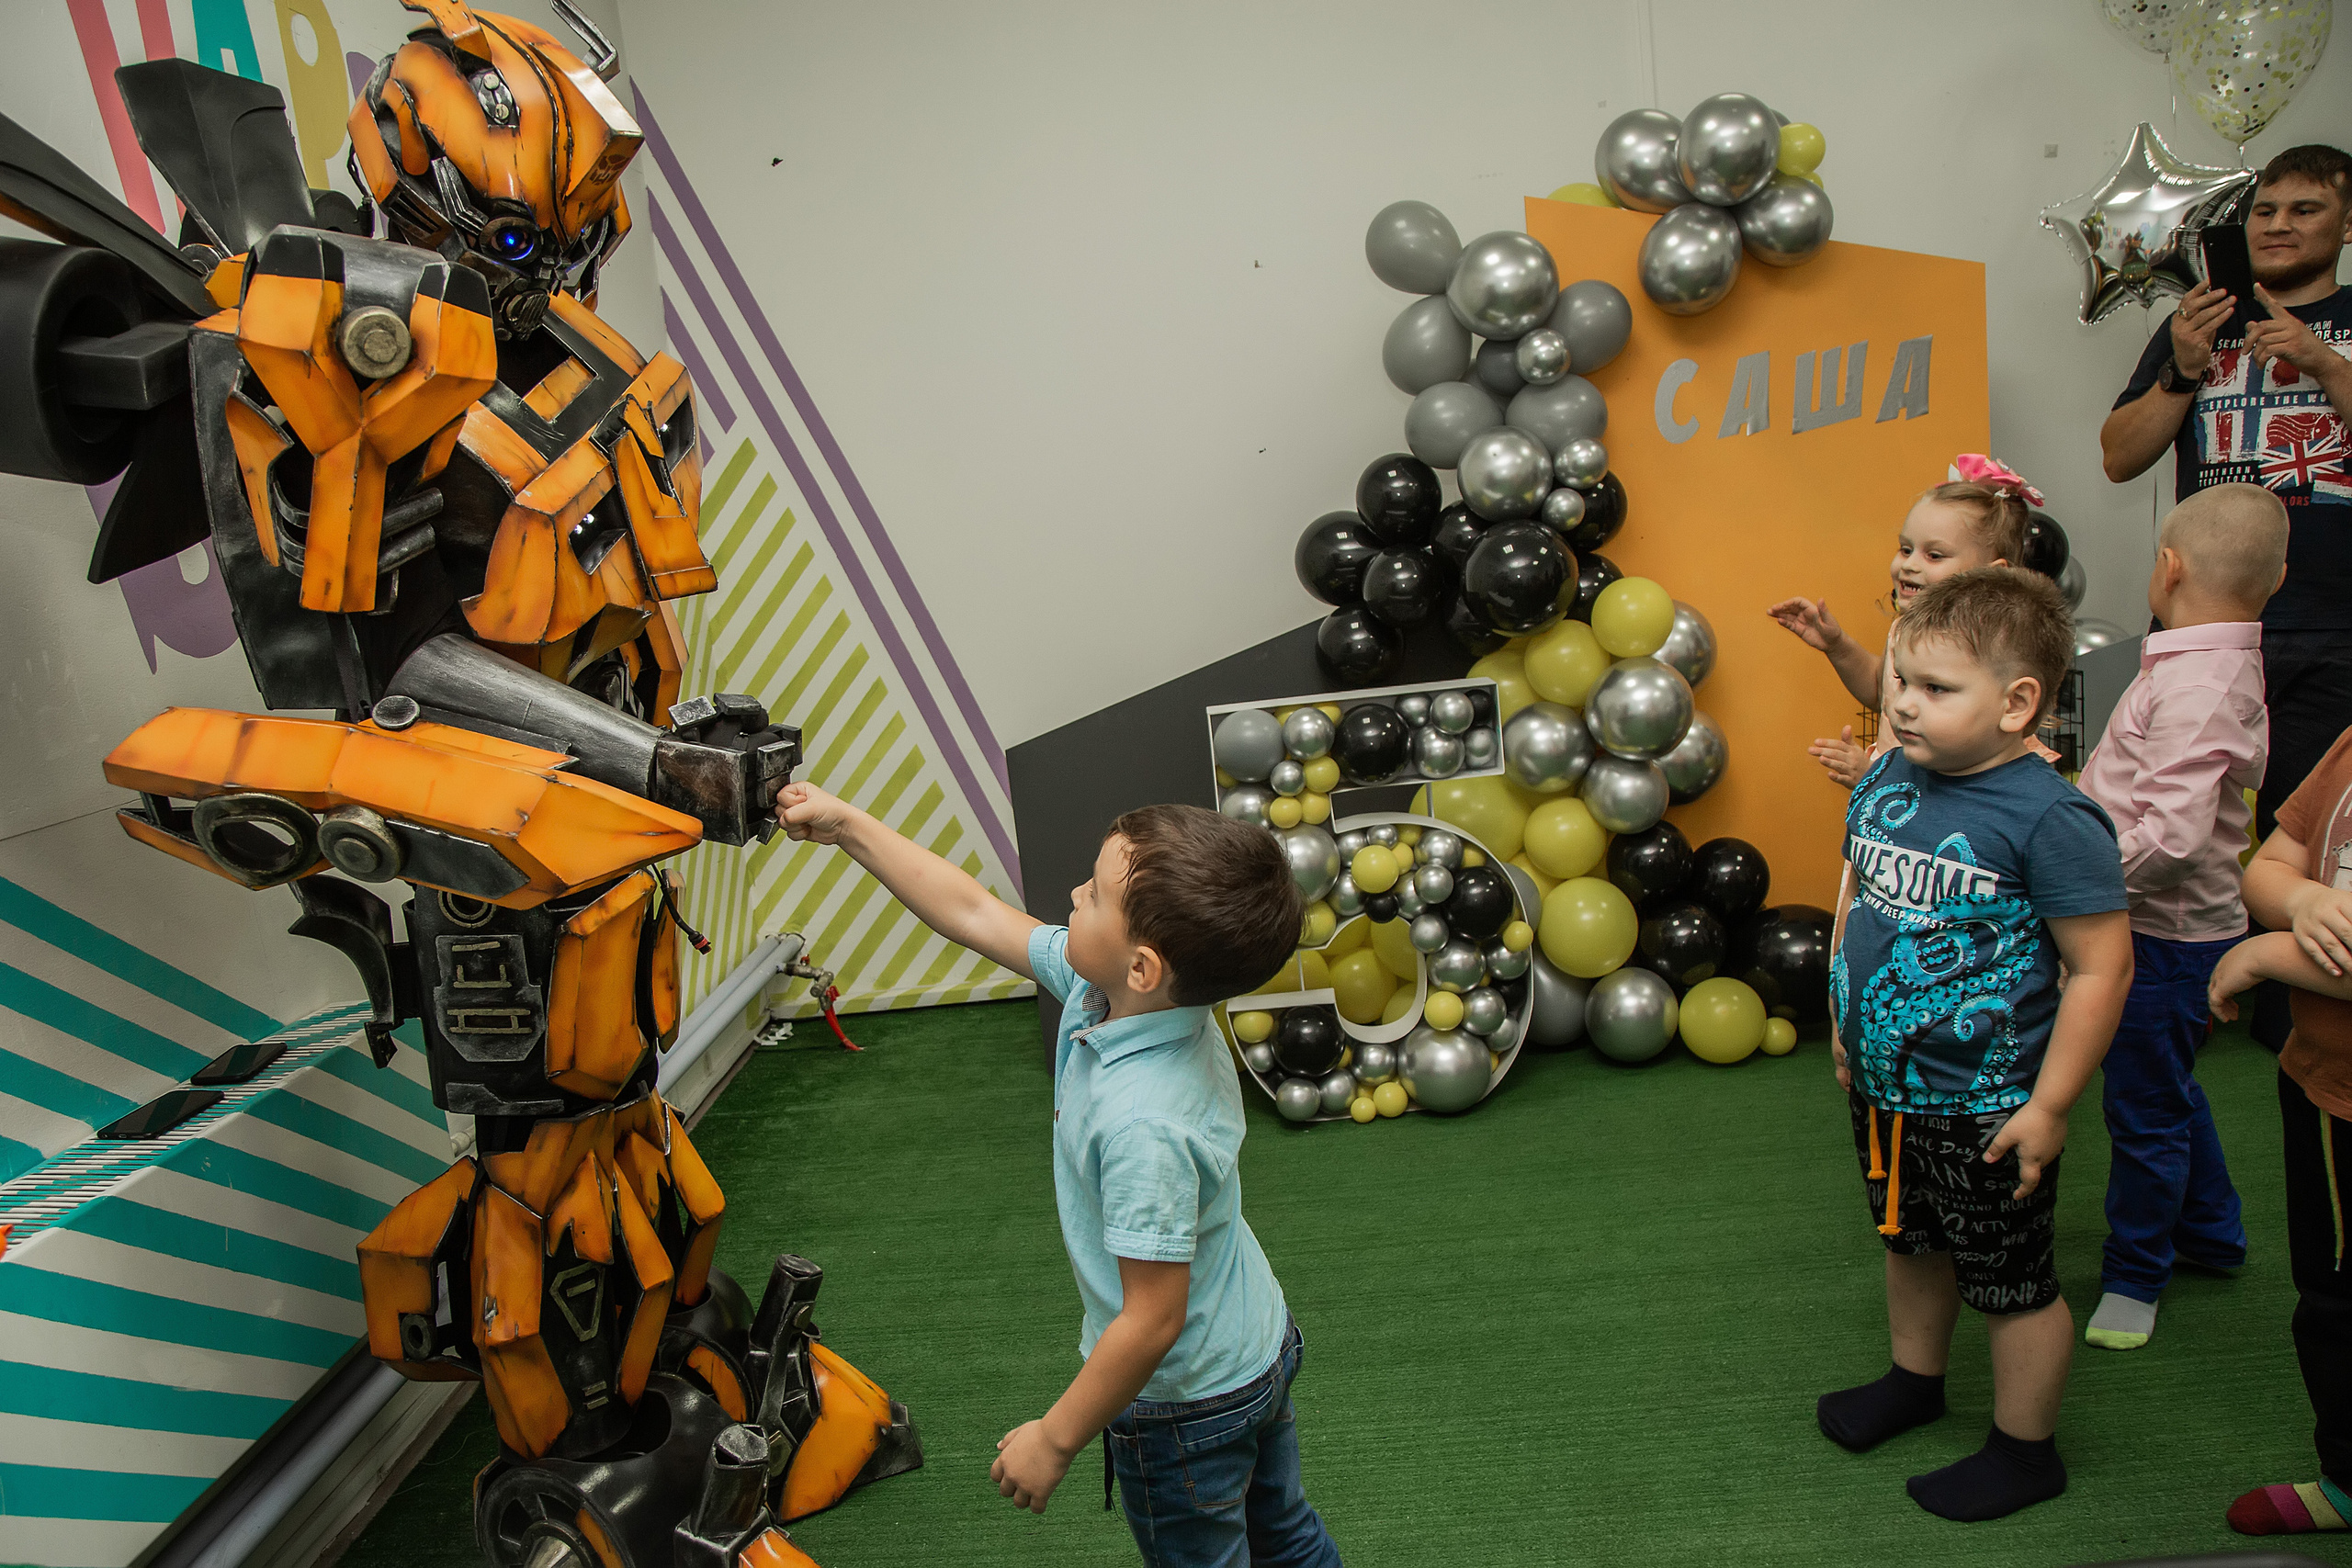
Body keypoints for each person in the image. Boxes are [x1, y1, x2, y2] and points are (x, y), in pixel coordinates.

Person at [775, 784, 1343, 1567]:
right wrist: (847, 825)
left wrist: (1055, 1436)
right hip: (1254, 1343)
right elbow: (973, 910)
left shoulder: (1146, 1121)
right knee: (1287, 1533)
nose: (1072, 895)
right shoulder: (1111, 992)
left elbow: (1151, 1320)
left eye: (1094, 894)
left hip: (1188, 1404)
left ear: (1142, 964)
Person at [1818, 567, 2134, 1521]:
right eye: (1901, 683)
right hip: (1885, 1087)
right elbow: (1857, 904)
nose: (1904, 705)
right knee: (1907, 1239)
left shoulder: (2050, 816)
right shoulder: (1886, 778)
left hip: (1986, 1104)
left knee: (2010, 1281)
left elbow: (2100, 969)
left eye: (1935, 689)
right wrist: (1843, 1019)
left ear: (2017, 703)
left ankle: (2023, 1449)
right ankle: (1914, 1380)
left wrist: (2048, 1107)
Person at [2102, 143, 2352, 1046]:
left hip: (2333, 624)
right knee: (2181, 821)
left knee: (2308, 835)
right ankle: (2181, 994)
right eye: (2264, 210)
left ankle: (2296, 1012)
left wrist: (2324, 365)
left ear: (2346, 225)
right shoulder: (2198, 320)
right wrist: (2178, 366)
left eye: (2303, 210)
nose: (2277, 225)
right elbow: (2120, 455)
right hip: (2208, 634)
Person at [2074, 485, 2290, 1352]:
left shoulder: (2199, 681)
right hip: (2168, 927)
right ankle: (2210, 1230)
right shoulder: (2200, 661)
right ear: (2276, 579)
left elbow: (2167, 835)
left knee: (2144, 1108)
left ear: (2167, 568)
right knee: (2166, 1085)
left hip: (2160, 936)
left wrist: (2072, 879)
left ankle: (2136, 1274)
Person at [2208, 722, 2352, 1536]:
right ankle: (2347, 1476)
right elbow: (2269, 861)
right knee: (2330, 1292)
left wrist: (2267, 958)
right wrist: (2301, 902)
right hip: (2322, 1082)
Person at [1767, 457, 2037, 789]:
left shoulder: (1988, 648)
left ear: (1992, 572)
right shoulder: (1904, 630)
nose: (1909, 565)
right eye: (1905, 549)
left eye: (1934, 555)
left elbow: (1952, 767)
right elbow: (1884, 691)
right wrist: (1837, 646)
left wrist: (1875, 777)